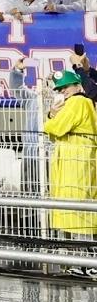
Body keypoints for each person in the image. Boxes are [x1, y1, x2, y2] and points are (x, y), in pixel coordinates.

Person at [43, 69, 97, 235]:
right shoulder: (80, 103)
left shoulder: (77, 102)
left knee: (76, 209)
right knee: (74, 207)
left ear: (77, 85)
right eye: (60, 89)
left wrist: (51, 117)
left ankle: (79, 253)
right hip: (74, 162)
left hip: (76, 162)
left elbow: (56, 128)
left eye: (66, 86)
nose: (63, 91)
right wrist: (53, 117)